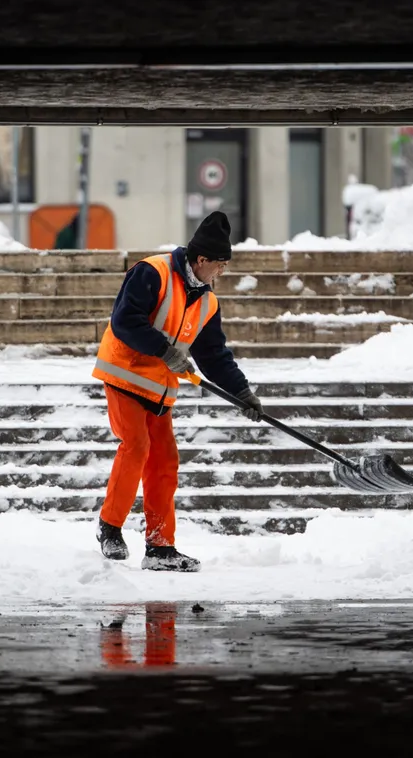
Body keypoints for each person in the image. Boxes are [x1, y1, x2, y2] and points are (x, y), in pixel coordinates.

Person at [91, 211, 262, 572]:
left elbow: (213, 354)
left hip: (159, 387)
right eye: (219, 265)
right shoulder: (152, 272)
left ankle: (160, 548)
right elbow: (124, 321)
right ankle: (110, 528)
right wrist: (166, 351)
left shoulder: (207, 301)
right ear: (201, 260)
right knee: (135, 447)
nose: (221, 273)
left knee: (165, 461)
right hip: (124, 374)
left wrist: (243, 393)